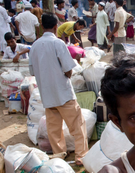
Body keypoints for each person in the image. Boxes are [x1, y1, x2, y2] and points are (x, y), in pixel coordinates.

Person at [30, 14, 88, 162]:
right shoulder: (58, 43)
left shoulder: (35, 46)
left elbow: (32, 71)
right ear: (56, 26)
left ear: (42, 27)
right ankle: (81, 156)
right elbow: (68, 69)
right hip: (63, 93)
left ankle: (59, 155)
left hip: (47, 94)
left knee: (54, 129)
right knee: (77, 126)